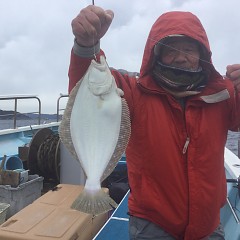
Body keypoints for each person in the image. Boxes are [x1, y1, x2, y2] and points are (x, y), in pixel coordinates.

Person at [68, 5, 240, 240]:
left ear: (202, 53)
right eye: (171, 50)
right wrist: (86, 46)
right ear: (155, 54)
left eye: (189, 49)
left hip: (208, 224)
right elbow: (88, 86)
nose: (181, 57)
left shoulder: (223, 93)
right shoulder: (133, 92)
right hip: (152, 225)